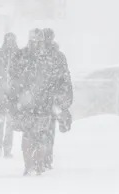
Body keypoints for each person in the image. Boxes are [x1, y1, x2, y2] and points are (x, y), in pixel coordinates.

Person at [9, 29, 60, 175]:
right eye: (34, 40)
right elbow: (13, 77)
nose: (36, 43)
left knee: (38, 135)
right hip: (28, 102)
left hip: (41, 102)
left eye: (38, 41)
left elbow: (54, 78)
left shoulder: (47, 57)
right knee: (30, 134)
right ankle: (30, 165)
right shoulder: (23, 55)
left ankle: (37, 165)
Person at [43, 28, 73, 169]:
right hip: (46, 97)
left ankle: (44, 158)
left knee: (45, 129)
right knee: (46, 129)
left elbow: (65, 77)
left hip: (46, 97)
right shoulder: (56, 56)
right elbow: (65, 77)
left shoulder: (43, 55)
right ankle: (44, 158)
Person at [0, 33, 19, 158]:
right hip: (2, 93)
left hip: (10, 94)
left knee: (8, 122)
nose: (10, 43)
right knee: (2, 121)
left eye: (11, 40)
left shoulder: (19, 55)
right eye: (8, 40)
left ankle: (6, 149)